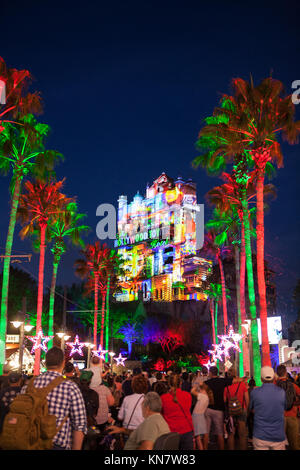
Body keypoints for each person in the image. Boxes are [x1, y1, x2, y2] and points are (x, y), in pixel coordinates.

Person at [21, 347, 87, 450]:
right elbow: (79, 425)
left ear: (46, 363)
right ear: (63, 363)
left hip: (30, 442)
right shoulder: (70, 387)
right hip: (56, 444)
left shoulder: (29, 385)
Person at [205, 366, 242, 450]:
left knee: (206, 432)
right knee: (220, 433)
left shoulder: (206, 383)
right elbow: (236, 380)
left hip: (209, 408)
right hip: (219, 410)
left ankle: (205, 447)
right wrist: (243, 379)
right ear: (217, 372)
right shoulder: (222, 381)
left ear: (210, 373)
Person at [249, 366, 286, 450]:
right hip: (278, 434)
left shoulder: (255, 392)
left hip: (260, 435)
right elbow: (284, 408)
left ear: (261, 379)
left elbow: (251, 408)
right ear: (273, 378)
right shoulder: (281, 392)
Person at [161, 374, 194, 450]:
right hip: (186, 429)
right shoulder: (187, 395)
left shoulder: (163, 398)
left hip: (170, 431)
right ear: (180, 383)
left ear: (168, 383)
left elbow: (162, 414)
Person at [276, 364, 300, 450]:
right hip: (292, 416)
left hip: (278, 417)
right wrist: (295, 403)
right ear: (286, 373)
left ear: (277, 373)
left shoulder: (274, 385)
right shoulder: (293, 385)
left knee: (278, 445)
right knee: (294, 444)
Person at [223, 368, 249, 450]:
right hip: (242, 409)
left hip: (231, 411)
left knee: (231, 433)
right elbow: (247, 398)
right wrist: (247, 409)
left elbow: (224, 400)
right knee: (242, 434)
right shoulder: (242, 384)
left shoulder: (226, 386)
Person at [191, 382, 209, 450]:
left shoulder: (202, 396)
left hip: (196, 417)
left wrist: (196, 385)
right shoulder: (207, 397)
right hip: (201, 416)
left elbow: (192, 391)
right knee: (200, 437)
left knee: (197, 438)